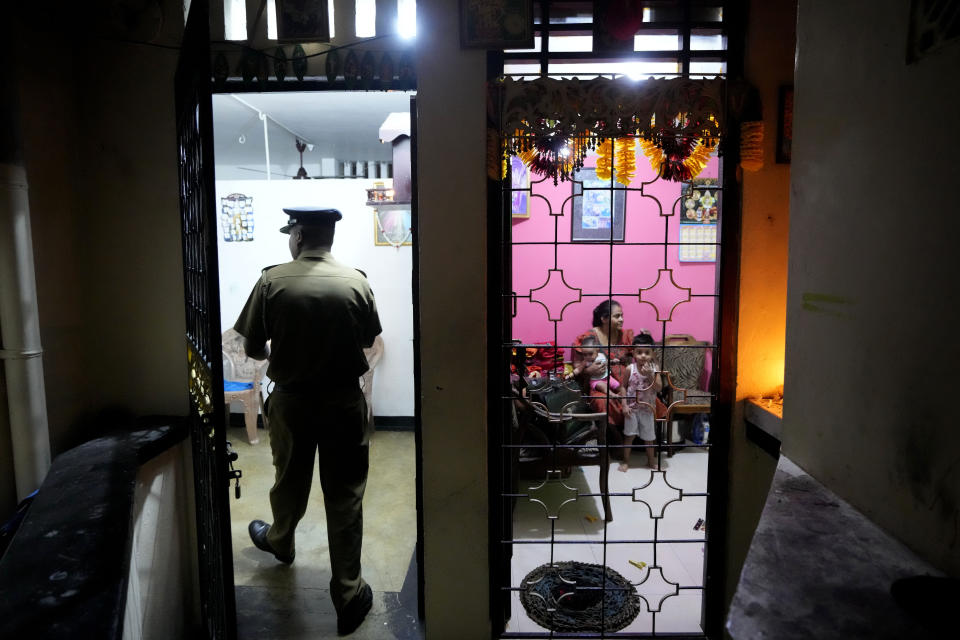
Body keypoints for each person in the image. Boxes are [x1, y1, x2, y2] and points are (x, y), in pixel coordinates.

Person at [234, 206, 381, 636]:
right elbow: (368, 339)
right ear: (328, 238)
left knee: (289, 479)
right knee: (346, 495)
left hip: (293, 402)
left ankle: (281, 541)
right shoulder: (357, 281)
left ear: (297, 235)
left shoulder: (272, 280)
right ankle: (349, 594)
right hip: (343, 404)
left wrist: (282, 351)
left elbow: (253, 346)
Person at [571, 300, 635, 424]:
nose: (621, 319)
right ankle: (615, 439)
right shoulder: (589, 338)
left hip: (625, 383)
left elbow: (635, 357)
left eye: (622, 316)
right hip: (600, 385)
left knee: (642, 397)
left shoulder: (625, 336)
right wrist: (588, 371)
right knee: (603, 402)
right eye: (617, 316)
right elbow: (578, 366)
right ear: (604, 319)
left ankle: (636, 436)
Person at [619, 333, 663, 472]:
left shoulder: (655, 370)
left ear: (652, 354)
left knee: (649, 438)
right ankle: (625, 461)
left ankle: (651, 461)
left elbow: (659, 388)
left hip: (648, 410)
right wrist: (624, 405)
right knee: (629, 436)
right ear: (633, 353)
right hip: (632, 409)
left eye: (646, 353)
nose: (643, 356)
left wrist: (650, 375)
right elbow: (623, 386)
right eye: (639, 352)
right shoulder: (629, 369)